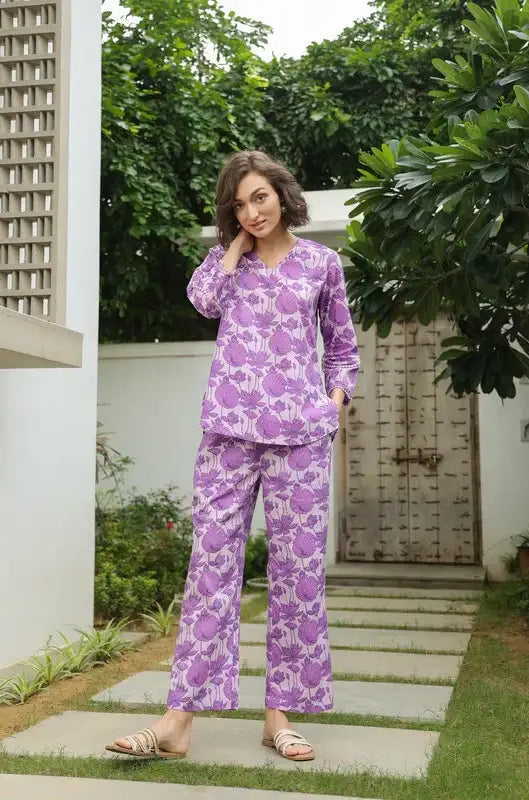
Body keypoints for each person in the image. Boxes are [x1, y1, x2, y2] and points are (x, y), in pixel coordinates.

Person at [106, 150, 360, 762]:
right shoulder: (226, 264)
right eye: (239, 205)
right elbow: (203, 301)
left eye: (259, 198)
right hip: (228, 435)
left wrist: (332, 406)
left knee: (297, 577)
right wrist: (233, 247)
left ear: (282, 194)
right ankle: (177, 722)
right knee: (210, 571)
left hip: (301, 437)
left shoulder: (321, 264)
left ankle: (279, 718)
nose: (251, 212)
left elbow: (342, 349)